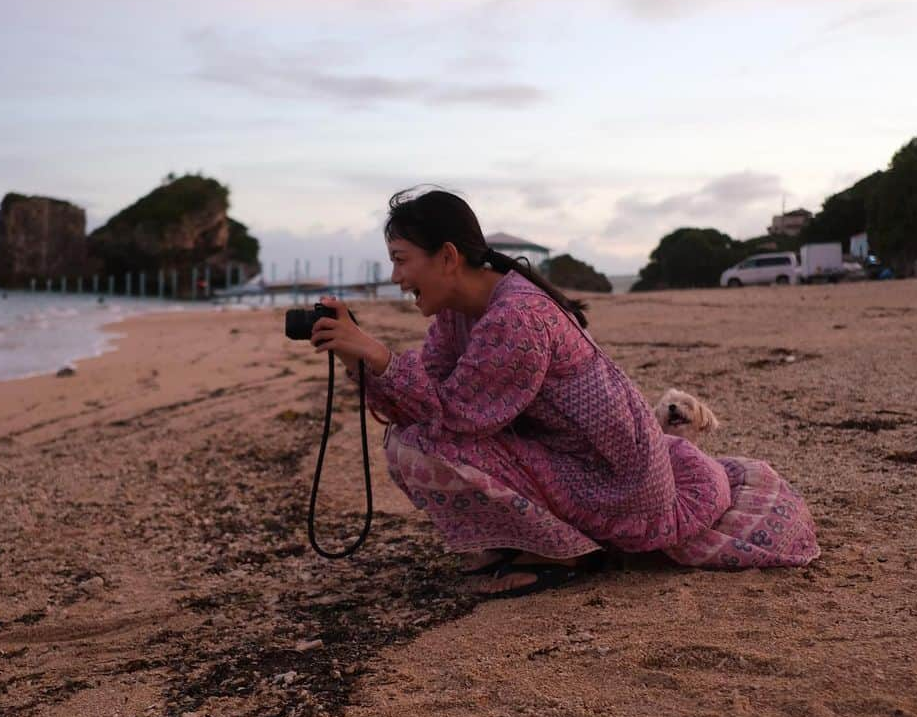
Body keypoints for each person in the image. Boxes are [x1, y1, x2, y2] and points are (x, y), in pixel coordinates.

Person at [310, 188, 819, 600]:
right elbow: (428, 393)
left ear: (447, 257)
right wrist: (358, 357)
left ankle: (564, 553)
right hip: (587, 462)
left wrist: (377, 355)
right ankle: (524, 543)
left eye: (401, 261)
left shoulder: (517, 316)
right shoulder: (458, 311)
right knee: (411, 435)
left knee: (419, 446)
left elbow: (454, 415)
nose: (396, 278)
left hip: (618, 480)